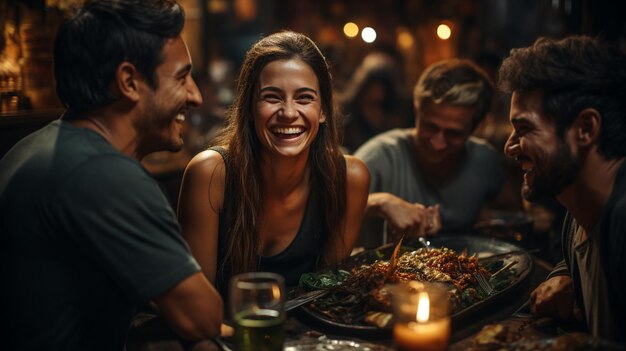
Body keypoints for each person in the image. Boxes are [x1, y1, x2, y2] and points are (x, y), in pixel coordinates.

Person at [0, 1, 224, 350]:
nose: (194, 96)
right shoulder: (102, 173)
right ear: (129, 82)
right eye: (182, 77)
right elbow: (203, 317)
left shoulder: (42, 146)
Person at [177, 31, 370, 297]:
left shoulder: (349, 178)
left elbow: (327, 298)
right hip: (224, 335)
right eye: (272, 97)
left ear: (323, 110)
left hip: (311, 337)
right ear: (249, 109)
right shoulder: (210, 173)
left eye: (304, 98)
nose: (289, 113)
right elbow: (195, 304)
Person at [499, 35, 626, 342]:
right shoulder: (578, 212)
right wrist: (564, 272)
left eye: (524, 129)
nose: (509, 147)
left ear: (585, 129)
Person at [354, 58, 503, 245]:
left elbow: (510, 214)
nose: (438, 142)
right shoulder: (381, 155)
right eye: (429, 127)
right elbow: (326, 208)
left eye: (453, 133)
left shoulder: (484, 160)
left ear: (473, 129)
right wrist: (380, 202)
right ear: (417, 111)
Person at [340, 50, 413, 153]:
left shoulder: (398, 116)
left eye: (382, 85)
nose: (377, 92)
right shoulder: (348, 113)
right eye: (372, 85)